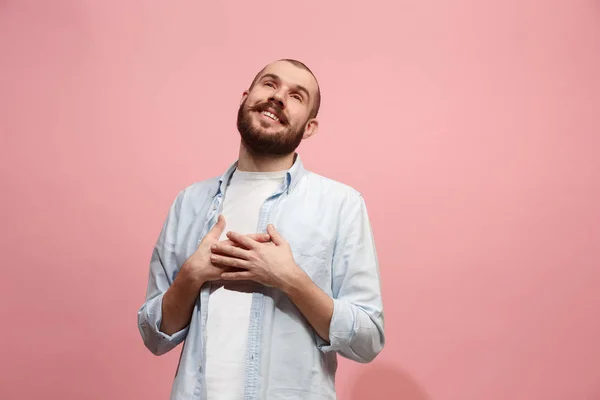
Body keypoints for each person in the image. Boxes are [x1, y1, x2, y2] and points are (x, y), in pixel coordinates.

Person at [137, 59, 385, 400]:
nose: (279, 97)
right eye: (270, 84)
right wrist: (190, 275)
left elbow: (367, 339)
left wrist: (290, 279)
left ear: (309, 128)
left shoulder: (340, 204)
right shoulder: (189, 202)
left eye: (296, 96)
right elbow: (154, 335)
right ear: (245, 98)